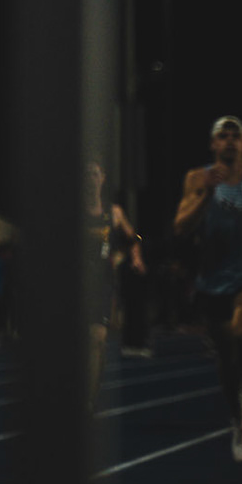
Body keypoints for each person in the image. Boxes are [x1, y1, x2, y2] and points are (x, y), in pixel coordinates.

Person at [174, 116, 242, 461]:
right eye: (224, 135)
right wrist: (207, 193)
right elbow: (180, 227)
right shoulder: (197, 178)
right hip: (213, 280)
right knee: (225, 357)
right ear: (213, 144)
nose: (231, 140)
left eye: (237, 135)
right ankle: (237, 421)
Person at [85, 160, 146, 410]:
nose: (91, 178)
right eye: (87, 174)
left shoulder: (114, 212)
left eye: (95, 174)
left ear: (102, 178)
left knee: (97, 339)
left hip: (102, 284)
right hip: (77, 282)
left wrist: (135, 257)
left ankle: (89, 398)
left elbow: (134, 238)